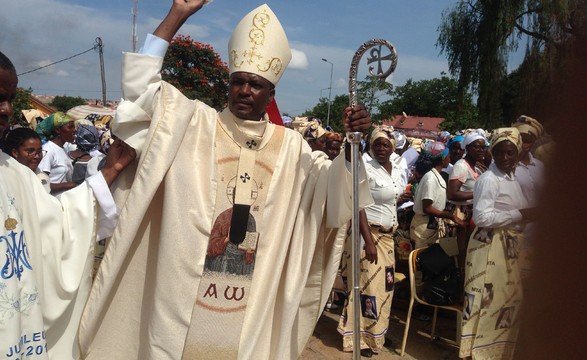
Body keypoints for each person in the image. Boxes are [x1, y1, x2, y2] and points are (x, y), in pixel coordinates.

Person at [78, 2, 373, 359]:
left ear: (271, 94)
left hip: (251, 301)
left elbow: (334, 196)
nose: (245, 91)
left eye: (255, 85)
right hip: (179, 295)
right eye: (238, 82)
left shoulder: (291, 148)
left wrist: (354, 147)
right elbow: (141, 91)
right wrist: (177, 16)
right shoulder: (192, 123)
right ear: (229, 85)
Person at [0, 51, 136, 360]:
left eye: (9, 98)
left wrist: (110, 172)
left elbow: (57, 224)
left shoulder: (15, 174)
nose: (6, 110)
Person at [459, 128, 536, 360]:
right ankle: (475, 354)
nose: (505, 158)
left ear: (517, 152)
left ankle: (495, 352)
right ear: (493, 153)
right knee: (484, 300)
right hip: (489, 247)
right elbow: (481, 217)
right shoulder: (489, 179)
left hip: (509, 249)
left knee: (505, 302)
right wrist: (519, 214)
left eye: (510, 153)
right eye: (500, 153)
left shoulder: (512, 178)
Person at [337, 128, 404, 357]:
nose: (381, 149)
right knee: (366, 288)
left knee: (384, 289)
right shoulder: (365, 168)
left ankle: (376, 334)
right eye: (377, 145)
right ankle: (358, 338)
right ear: (371, 146)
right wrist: (368, 240)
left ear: (392, 147)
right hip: (370, 236)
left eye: (385, 145)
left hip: (388, 237)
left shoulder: (394, 168)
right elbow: (359, 204)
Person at [410, 141, 464, 249]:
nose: (450, 158)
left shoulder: (435, 176)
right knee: (423, 258)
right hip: (424, 226)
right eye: (448, 156)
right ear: (443, 159)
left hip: (430, 225)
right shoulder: (430, 178)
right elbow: (427, 208)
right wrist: (450, 216)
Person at [447, 131, 488, 267]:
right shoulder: (461, 166)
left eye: (483, 147)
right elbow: (452, 194)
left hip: (471, 213)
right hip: (462, 215)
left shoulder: (476, 166)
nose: (481, 150)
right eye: (476, 147)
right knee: (462, 253)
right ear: (468, 148)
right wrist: (478, 193)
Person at [36, 112, 79, 194]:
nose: (74, 130)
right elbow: (41, 183)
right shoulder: (48, 151)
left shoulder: (63, 149)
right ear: (58, 130)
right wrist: (70, 185)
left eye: (74, 127)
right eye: (70, 127)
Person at [3, 127, 51, 192]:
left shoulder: (42, 178)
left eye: (39, 151)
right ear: (15, 153)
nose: (37, 156)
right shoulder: (7, 181)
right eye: (30, 151)